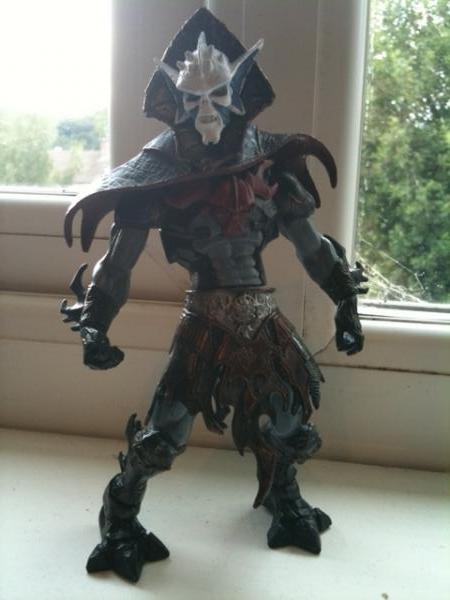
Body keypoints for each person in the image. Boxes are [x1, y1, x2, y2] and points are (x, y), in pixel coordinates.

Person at [61, 8, 367, 583]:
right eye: (192, 97)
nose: (206, 110)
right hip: (204, 322)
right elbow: (118, 265)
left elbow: (312, 248)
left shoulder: (270, 169)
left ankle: (284, 495)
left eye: (218, 94)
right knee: (162, 438)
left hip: (263, 316)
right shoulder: (158, 175)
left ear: (239, 91)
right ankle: (120, 516)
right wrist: (96, 323)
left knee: (292, 426)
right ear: (173, 100)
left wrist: (345, 305)